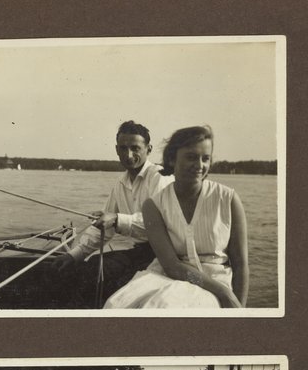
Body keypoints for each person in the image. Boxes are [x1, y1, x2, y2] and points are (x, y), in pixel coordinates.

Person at [104, 125, 249, 309]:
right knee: (116, 304)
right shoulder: (154, 205)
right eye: (191, 157)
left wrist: (239, 311)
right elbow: (172, 266)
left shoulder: (227, 198)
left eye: (205, 158)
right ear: (172, 159)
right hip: (165, 276)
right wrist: (223, 293)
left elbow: (241, 264)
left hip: (214, 280)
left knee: (163, 306)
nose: (199, 165)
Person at [47, 121, 173, 307]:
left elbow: (159, 224)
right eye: (123, 148)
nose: (128, 155)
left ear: (149, 149)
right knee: (87, 267)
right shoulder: (121, 183)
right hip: (140, 252)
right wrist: (74, 255)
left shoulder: (160, 178)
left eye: (135, 148)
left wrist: (116, 219)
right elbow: (102, 229)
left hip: (167, 255)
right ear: (116, 150)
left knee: (100, 271)